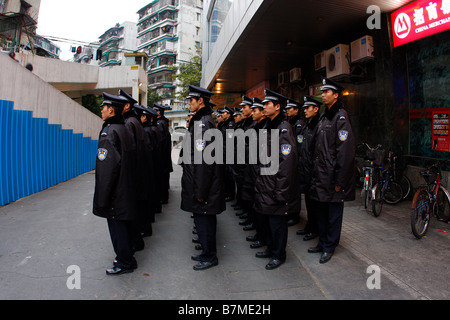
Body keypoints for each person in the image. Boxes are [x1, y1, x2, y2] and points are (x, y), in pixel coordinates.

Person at [308, 78, 356, 264]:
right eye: (323, 91)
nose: (324, 94)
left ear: (336, 95)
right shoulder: (323, 116)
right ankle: (322, 242)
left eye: (327, 91)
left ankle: (329, 246)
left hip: (333, 177)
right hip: (320, 175)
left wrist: (340, 180)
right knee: (321, 212)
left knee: (333, 215)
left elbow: (345, 152)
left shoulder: (340, 117)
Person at [180, 85, 226, 271]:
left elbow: (204, 162)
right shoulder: (200, 121)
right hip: (199, 183)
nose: (189, 102)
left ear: (201, 101)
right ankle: (206, 252)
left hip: (204, 185)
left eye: (192, 99)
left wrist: (200, 191)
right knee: (202, 220)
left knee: (205, 220)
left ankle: (209, 256)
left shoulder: (203, 124)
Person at [93, 92, 138, 275]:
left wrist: (102, 198)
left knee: (117, 228)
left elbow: (106, 170)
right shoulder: (124, 129)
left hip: (115, 192)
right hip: (126, 187)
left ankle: (124, 262)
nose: (101, 110)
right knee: (125, 226)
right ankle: (127, 258)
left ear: (111, 110)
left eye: (103, 107)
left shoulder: (109, 132)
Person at [254, 89, 299, 270]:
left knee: (277, 223)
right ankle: (271, 248)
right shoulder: (268, 126)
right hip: (266, 184)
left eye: (267, 104)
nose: (264, 107)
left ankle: (279, 254)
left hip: (276, 187)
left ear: (278, 107)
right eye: (264, 104)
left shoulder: (283, 128)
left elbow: (287, 162)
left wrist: (281, 190)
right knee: (268, 221)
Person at [119, 89, 153, 246]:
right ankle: (138, 238)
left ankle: (135, 242)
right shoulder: (136, 123)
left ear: (126, 106)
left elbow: (129, 152)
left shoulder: (129, 123)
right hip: (141, 171)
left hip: (134, 173)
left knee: (131, 210)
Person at [242, 97, 268, 248]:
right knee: (255, 206)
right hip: (252, 172)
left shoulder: (265, 128)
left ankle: (263, 237)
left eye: (255, 110)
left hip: (261, 174)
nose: (252, 113)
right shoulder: (256, 127)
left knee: (262, 209)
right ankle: (259, 234)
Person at [295, 96, 321, 242]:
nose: (305, 110)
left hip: (313, 172)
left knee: (315, 205)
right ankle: (310, 227)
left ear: (316, 109)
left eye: (307, 108)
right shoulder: (307, 125)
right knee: (309, 204)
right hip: (305, 170)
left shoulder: (317, 125)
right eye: (304, 108)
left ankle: (314, 229)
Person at [284, 99, 303, 226]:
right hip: (290, 162)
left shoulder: (299, 124)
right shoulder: (289, 122)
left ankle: (295, 215)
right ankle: (290, 212)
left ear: (296, 110)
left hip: (296, 163)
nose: (288, 110)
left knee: (295, 192)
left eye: (290, 108)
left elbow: (299, 146)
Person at [154, 104, 173, 205]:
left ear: (159, 112)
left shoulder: (160, 124)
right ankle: (163, 197)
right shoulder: (163, 123)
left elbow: (160, 142)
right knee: (164, 179)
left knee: (162, 180)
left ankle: (163, 199)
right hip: (164, 158)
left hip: (162, 158)